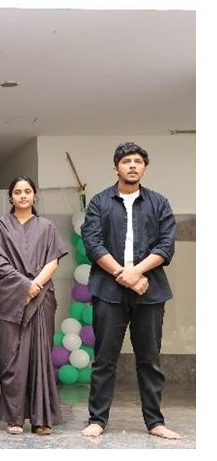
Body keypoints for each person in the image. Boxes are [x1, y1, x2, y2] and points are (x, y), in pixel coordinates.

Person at [80, 142, 180, 440]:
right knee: (104, 358)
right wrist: (123, 275)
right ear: (116, 169)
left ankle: (155, 422)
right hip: (108, 290)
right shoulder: (99, 202)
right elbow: (93, 243)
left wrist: (136, 273)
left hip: (150, 290)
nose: (132, 165)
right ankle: (97, 419)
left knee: (149, 359)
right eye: (126, 161)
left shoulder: (159, 203)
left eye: (137, 161)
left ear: (144, 169)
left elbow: (166, 245)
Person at [0, 175, 67, 436]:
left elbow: (53, 260)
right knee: (10, 358)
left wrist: (35, 285)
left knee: (40, 357)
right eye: (18, 192)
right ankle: (15, 417)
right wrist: (24, 285)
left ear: (35, 195)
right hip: (10, 299)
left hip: (41, 298)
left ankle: (41, 418)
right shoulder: (0, 226)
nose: (23, 196)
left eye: (27, 191)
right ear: (10, 197)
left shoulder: (47, 227)